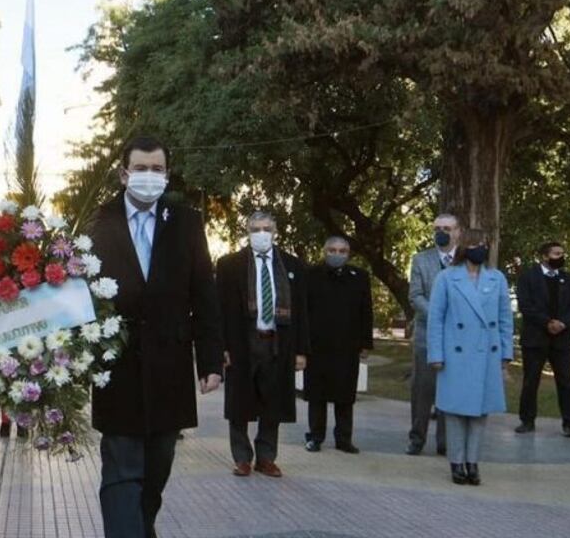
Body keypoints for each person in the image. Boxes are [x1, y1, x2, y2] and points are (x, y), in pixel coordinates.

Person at [89, 136, 223, 538]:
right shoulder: (97, 221)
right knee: (121, 468)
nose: (150, 176)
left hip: (171, 365)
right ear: (123, 173)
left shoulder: (185, 221)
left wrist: (211, 360)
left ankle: (141, 527)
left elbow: (204, 292)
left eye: (158, 169)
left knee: (157, 467)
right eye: (141, 168)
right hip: (118, 364)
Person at [217, 211, 308, 478]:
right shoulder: (229, 265)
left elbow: (302, 311)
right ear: (248, 232)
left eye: (266, 228)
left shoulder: (293, 266)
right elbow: (219, 309)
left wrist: (302, 350)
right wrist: (221, 346)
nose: (261, 234)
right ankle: (242, 457)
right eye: (255, 229)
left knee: (274, 402)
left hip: (278, 343)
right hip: (242, 342)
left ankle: (266, 457)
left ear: (275, 230)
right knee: (239, 402)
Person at [427, 229, 513, 486]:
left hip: (487, 354)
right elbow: (436, 320)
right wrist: (436, 354)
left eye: (483, 244)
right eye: (474, 244)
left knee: (479, 412)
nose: (480, 249)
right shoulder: (446, 278)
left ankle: (473, 463)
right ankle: (456, 462)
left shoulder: (497, 279)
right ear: (464, 248)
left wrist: (506, 354)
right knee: (454, 412)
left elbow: (505, 320)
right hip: (455, 355)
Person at [303, 236, 373, 454]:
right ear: (325, 251)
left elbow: (366, 312)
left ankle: (344, 438)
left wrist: (365, 343)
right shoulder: (310, 276)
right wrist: (301, 345)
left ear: (348, 254)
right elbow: (303, 312)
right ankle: (315, 436)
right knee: (317, 395)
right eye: (333, 250)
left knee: (345, 395)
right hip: (317, 346)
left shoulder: (359, 277)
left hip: (347, 346)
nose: (337, 254)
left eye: (342, 251)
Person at [515, 241, 570, 438]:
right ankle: (527, 420)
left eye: (562, 253)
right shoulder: (528, 277)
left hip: (562, 339)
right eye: (556, 253)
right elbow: (525, 305)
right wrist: (547, 322)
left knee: (567, 382)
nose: (560, 256)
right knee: (530, 381)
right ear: (545, 256)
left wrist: (563, 323)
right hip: (535, 338)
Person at [406, 213, 460, 456]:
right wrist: (438, 316)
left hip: (458, 337)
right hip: (426, 333)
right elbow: (415, 295)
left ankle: (445, 442)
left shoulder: (466, 260)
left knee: (451, 388)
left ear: (458, 231)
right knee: (422, 389)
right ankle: (416, 438)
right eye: (438, 228)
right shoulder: (421, 259)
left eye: (447, 228)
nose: (442, 232)